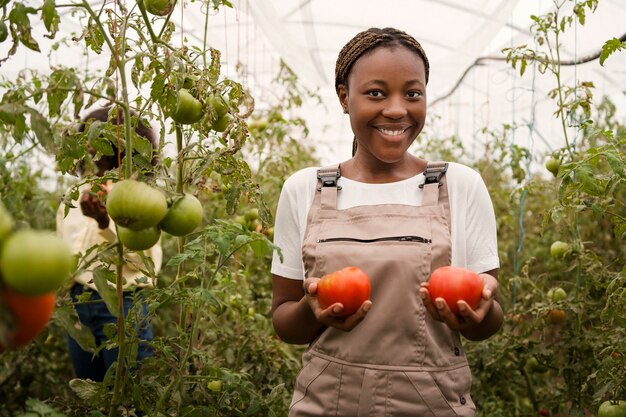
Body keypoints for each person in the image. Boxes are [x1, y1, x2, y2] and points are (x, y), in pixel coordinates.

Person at [270, 27, 503, 416]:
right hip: (327, 405)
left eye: (412, 94)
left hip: (434, 405)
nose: (397, 109)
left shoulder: (460, 185)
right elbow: (283, 322)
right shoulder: (304, 190)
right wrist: (313, 310)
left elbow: (488, 322)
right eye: (376, 93)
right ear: (345, 97)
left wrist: (476, 312)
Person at [56, 106, 162, 382]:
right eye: (86, 136)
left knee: (127, 399)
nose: (87, 145)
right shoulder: (75, 193)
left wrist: (105, 224)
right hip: (79, 306)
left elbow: (142, 262)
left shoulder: (140, 196)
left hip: (122, 304)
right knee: (91, 395)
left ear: (120, 144)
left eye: (96, 136)